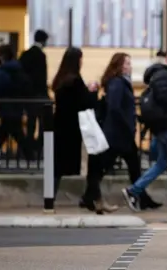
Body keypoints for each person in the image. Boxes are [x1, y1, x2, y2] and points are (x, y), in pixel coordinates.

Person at [122, 51, 167, 211]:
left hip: (161, 126)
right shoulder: (164, 75)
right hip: (166, 126)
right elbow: (166, 99)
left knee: (162, 164)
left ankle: (134, 190)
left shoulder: (159, 74)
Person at [50, 47, 115, 212]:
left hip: (61, 128)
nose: (82, 62)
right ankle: (93, 199)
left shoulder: (60, 80)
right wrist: (92, 91)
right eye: (80, 59)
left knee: (57, 168)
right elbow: (84, 103)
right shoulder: (74, 81)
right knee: (94, 162)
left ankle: (51, 200)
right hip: (77, 130)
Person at [85, 53, 142, 212]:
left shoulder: (120, 82)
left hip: (120, 134)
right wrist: (128, 125)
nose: (130, 66)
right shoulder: (117, 83)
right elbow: (115, 107)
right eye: (128, 63)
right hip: (118, 134)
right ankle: (89, 196)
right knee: (103, 166)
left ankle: (141, 196)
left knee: (133, 165)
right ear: (120, 65)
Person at [0, 45, 32, 159]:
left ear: (2, 56)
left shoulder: (1, 71)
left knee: (9, 132)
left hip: (6, 107)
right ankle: (30, 156)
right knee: (11, 131)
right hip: (17, 107)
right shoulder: (19, 69)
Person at [19, 29, 49, 154]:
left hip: (27, 95)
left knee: (30, 122)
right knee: (43, 122)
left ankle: (29, 146)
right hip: (39, 94)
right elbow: (42, 77)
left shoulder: (25, 54)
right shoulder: (41, 56)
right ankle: (38, 146)